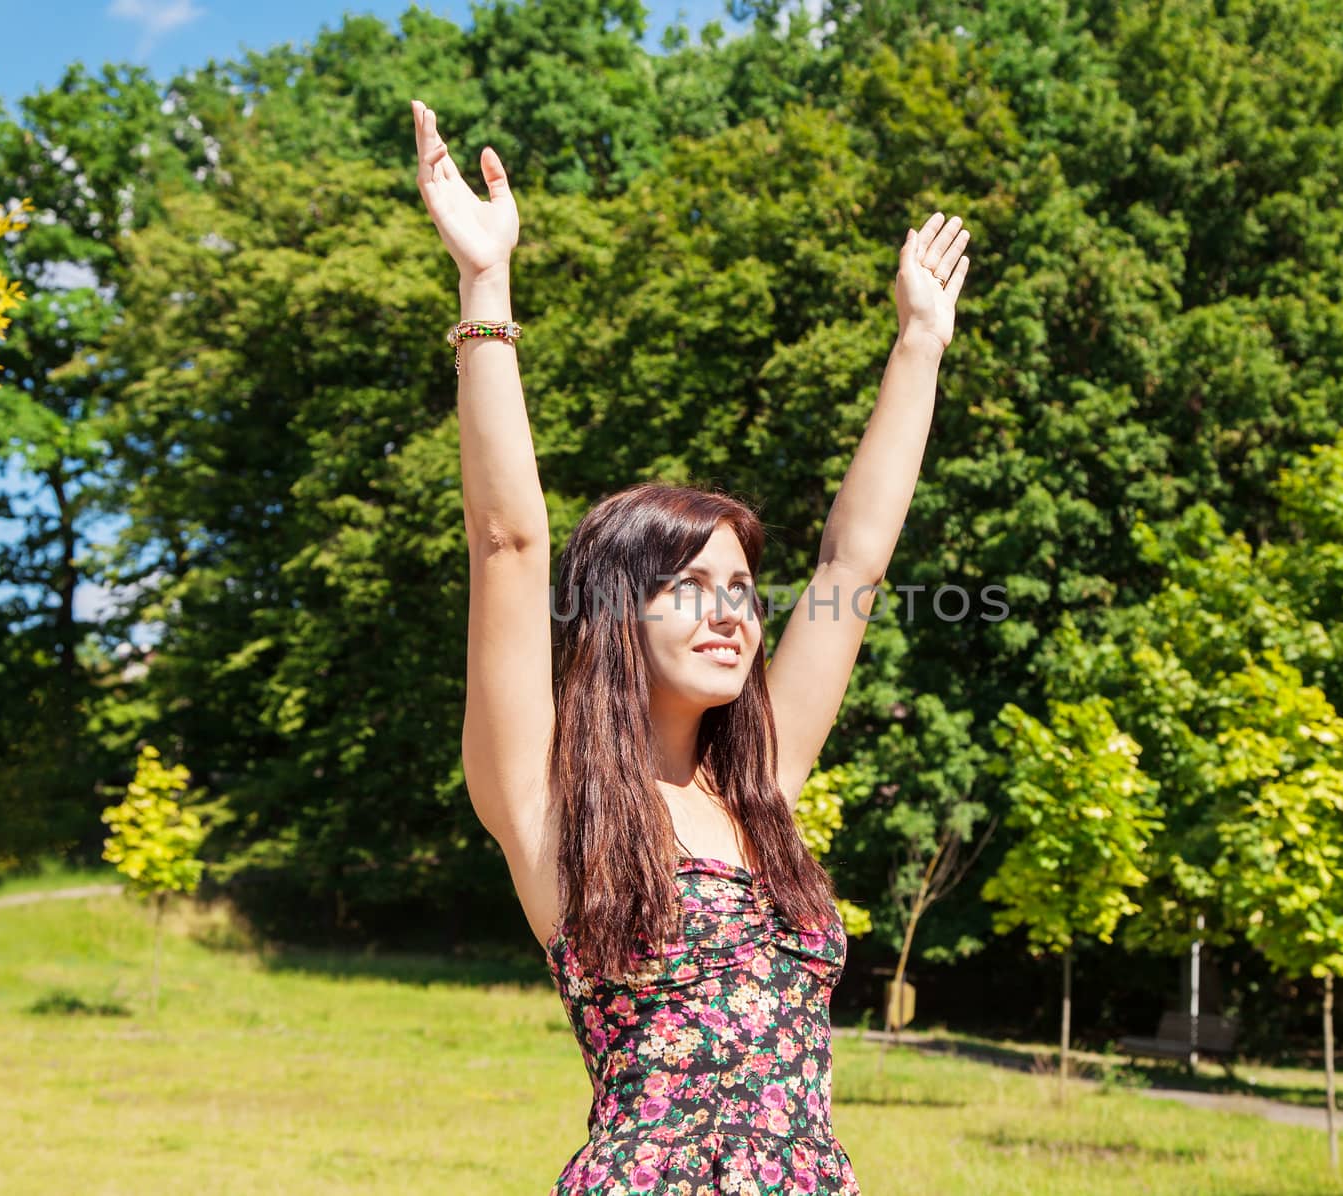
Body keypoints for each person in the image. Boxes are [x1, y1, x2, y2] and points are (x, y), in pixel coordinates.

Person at [411, 98, 970, 1195]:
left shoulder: (760, 785)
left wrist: (918, 346)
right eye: (689, 588)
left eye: (743, 591)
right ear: (619, 612)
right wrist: (485, 288)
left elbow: (851, 567)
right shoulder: (545, 797)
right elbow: (510, 542)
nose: (731, 614)